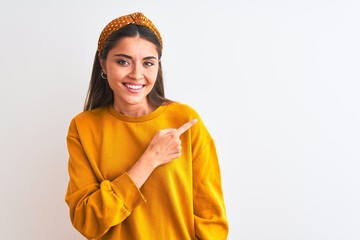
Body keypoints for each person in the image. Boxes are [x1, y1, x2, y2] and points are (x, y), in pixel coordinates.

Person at [65, 12, 228, 240]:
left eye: (148, 63)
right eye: (123, 61)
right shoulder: (83, 128)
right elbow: (87, 222)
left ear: (157, 66)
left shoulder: (185, 120)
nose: (136, 74)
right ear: (103, 63)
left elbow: (212, 222)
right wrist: (150, 159)